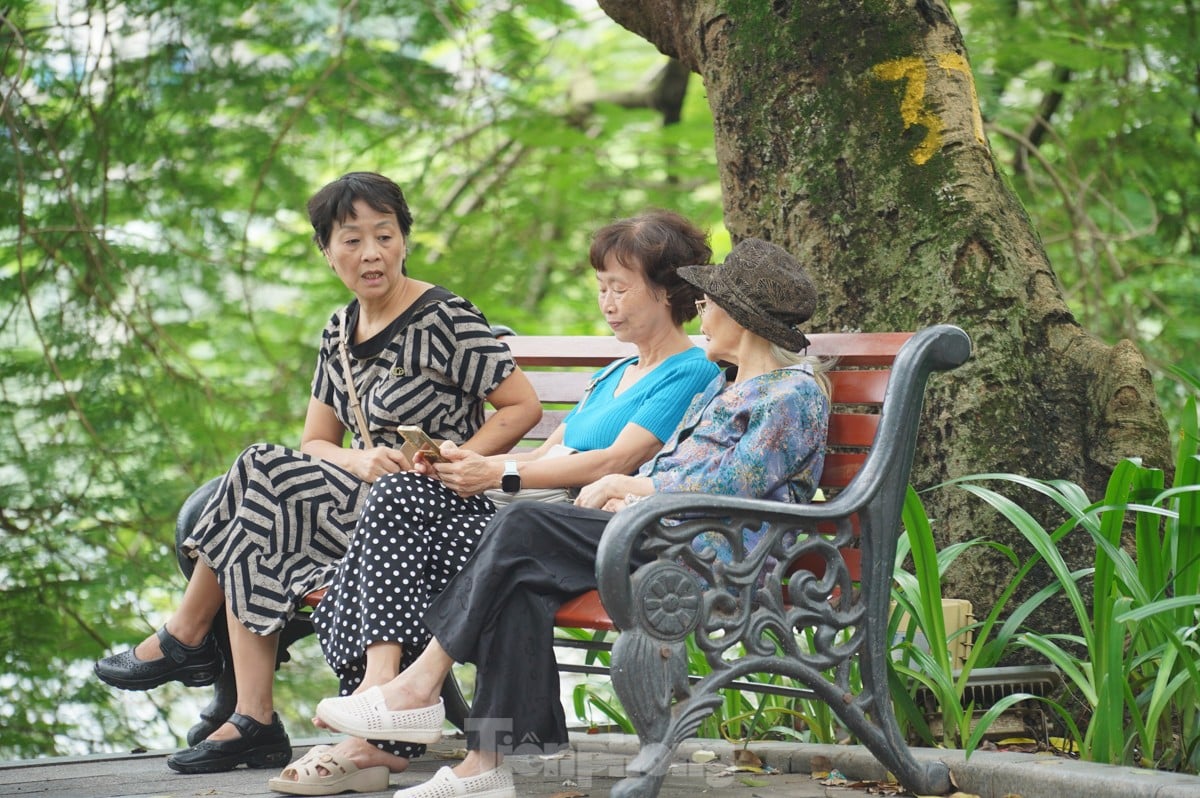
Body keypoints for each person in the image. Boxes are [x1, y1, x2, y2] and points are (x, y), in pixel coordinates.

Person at [309, 237, 832, 798]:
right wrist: (627, 494)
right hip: (659, 529)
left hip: (713, 550)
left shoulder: (792, 393)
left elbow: (734, 482)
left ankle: (418, 686)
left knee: (519, 529)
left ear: (742, 319)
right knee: (522, 578)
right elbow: (678, 469)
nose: (700, 311)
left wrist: (630, 484)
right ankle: (484, 767)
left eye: (710, 303)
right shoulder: (727, 390)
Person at [93, 172, 543, 774]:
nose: (371, 253)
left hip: (434, 508)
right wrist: (357, 457)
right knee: (259, 486)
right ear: (328, 253)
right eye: (351, 240)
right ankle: (246, 711)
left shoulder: (445, 317)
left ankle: (192, 646)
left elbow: (522, 406)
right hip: (360, 500)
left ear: (404, 241)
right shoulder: (337, 332)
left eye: (384, 236)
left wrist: (460, 461)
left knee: (258, 477)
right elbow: (315, 443)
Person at [267, 210, 721, 795]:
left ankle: (399, 711)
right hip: (535, 524)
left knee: (502, 555)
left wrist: (498, 477)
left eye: (620, 287)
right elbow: (545, 456)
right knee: (408, 491)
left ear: (667, 291)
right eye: (601, 286)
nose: (607, 301)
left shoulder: (688, 370)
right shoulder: (614, 374)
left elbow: (614, 463)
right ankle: (423, 723)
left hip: (591, 529)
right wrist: (470, 467)